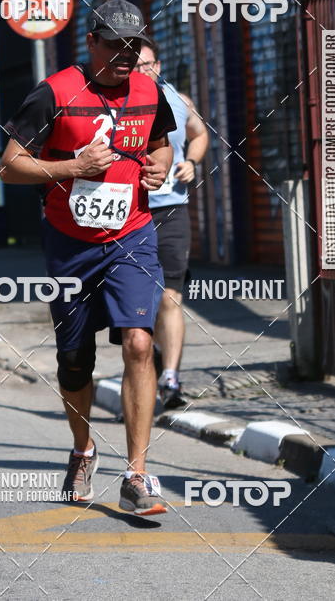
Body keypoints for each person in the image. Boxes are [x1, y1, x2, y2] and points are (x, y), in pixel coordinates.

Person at [0, 0, 176, 516]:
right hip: (69, 243)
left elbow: (161, 144)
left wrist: (159, 169)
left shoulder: (148, 91)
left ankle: (137, 474)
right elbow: (10, 166)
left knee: (140, 344)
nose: (125, 56)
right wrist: (73, 165)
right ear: (91, 42)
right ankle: (82, 449)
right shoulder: (55, 92)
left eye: (134, 46)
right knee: (76, 360)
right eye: (115, 45)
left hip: (133, 235)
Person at [135, 39, 209, 409]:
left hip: (171, 209)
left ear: (158, 66)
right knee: (139, 303)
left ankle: (171, 379)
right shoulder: (119, 103)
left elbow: (200, 135)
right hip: (131, 213)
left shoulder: (179, 102)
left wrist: (192, 162)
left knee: (171, 297)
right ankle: (150, 364)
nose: (141, 71)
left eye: (147, 65)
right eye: (134, 65)